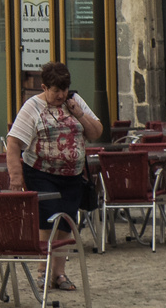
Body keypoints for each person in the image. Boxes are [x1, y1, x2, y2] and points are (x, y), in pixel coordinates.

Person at [6, 61, 102, 292]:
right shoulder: (32, 107)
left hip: (72, 175)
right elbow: (13, 143)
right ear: (44, 87)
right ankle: (42, 271)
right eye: (56, 90)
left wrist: (79, 114)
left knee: (67, 222)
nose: (61, 95)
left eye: (64, 89)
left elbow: (96, 133)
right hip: (41, 173)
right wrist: (16, 179)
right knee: (47, 220)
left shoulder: (74, 102)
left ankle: (59, 274)